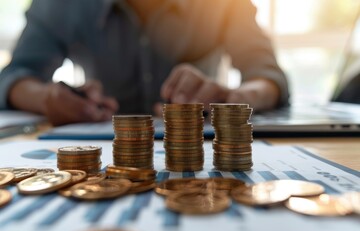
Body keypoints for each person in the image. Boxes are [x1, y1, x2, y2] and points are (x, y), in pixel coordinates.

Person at [0, 0, 289, 126]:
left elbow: (267, 75)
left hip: (200, 153)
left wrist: (238, 97)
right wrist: (45, 97)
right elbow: (13, 77)